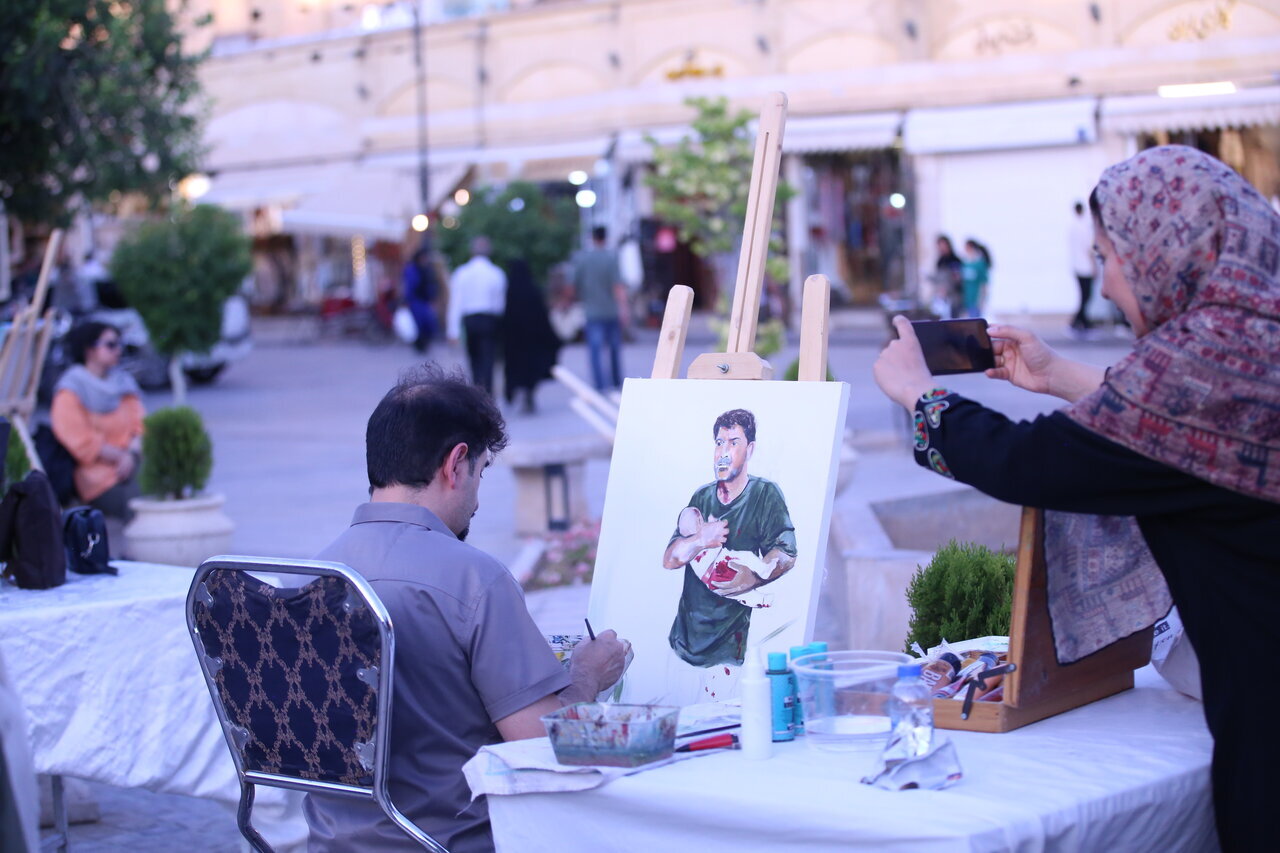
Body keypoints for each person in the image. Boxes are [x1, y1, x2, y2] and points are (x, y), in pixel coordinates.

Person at [872, 145, 1279, 852]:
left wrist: (918, 394)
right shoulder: (1251, 341)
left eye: (1107, 255)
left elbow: (1031, 463)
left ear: (1162, 252)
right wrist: (1057, 373)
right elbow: (1188, 433)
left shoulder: (1196, 367)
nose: (1106, 279)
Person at [304, 365, 627, 852]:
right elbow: (544, 745)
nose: (477, 498)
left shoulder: (311, 574)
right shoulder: (473, 579)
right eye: (481, 470)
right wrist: (587, 675)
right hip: (455, 839)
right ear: (455, 465)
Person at [662, 409, 797, 669]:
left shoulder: (764, 494)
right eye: (719, 442)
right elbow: (670, 559)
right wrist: (700, 539)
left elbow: (786, 552)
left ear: (750, 449)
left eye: (734, 443)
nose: (723, 452)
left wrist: (754, 577)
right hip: (684, 640)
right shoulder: (701, 497)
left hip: (732, 648)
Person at [50, 322, 144, 521]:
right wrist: (120, 457)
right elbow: (81, 442)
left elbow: (141, 426)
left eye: (119, 344)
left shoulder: (123, 383)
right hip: (99, 478)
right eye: (110, 345)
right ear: (89, 350)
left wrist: (131, 455)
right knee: (139, 499)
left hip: (134, 462)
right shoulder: (70, 390)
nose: (118, 350)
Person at [446, 236, 507, 395]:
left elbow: (456, 303)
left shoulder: (462, 273)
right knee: (489, 359)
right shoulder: (496, 273)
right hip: (490, 320)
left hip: (471, 320)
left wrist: (453, 331)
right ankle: (488, 394)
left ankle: (477, 393)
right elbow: (500, 304)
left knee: (474, 359)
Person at [501, 258, 560, 414]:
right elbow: (542, 316)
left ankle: (515, 391)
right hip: (532, 340)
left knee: (516, 368)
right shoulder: (533, 290)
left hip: (514, 341)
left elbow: (505, 316)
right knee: (531, 369)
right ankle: (529, 393)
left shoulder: (509, 292)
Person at [571, 226, 625, 393]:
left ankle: (600, 385)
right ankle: (616, 382)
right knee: (614, 349)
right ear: (605, 238)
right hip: (611, 310)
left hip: (592, 311)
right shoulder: (611, 258)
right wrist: (624, 309)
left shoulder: (583, 259)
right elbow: (618, 287)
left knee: (595, 350)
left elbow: (573, 285)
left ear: (592, 238)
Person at [402, 243, 444, 353]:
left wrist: (433, 298)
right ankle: (419, 344)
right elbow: (410, 286)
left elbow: (432, 285)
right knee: (419, 324)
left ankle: (424, 343)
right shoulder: (412, 269)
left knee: (428, 323)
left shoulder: (427, 269)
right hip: (416, 301)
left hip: (425, 301)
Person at [1068, 200, 1097, 332]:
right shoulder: (1084, 228)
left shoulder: (1072, 227)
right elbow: (1089, 249)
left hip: (1076, 266)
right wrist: (1094, 267)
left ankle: (1082, 320)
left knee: (1083, 295)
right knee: (1087, 295)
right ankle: (1078, 321)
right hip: (1086, 267)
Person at [931, 235, 963, 319]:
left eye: (943, 245)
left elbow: (957, 279)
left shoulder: (954, 260)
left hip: (953, 296)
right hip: (942, 297)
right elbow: (938, 278)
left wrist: (947, 288)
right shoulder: (940, 261)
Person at [960, 239, 991, 318]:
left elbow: (984, 283)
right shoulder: (965, 263)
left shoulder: (980, 264)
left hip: (976, 298)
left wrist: (983, 299)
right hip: (966, 298)